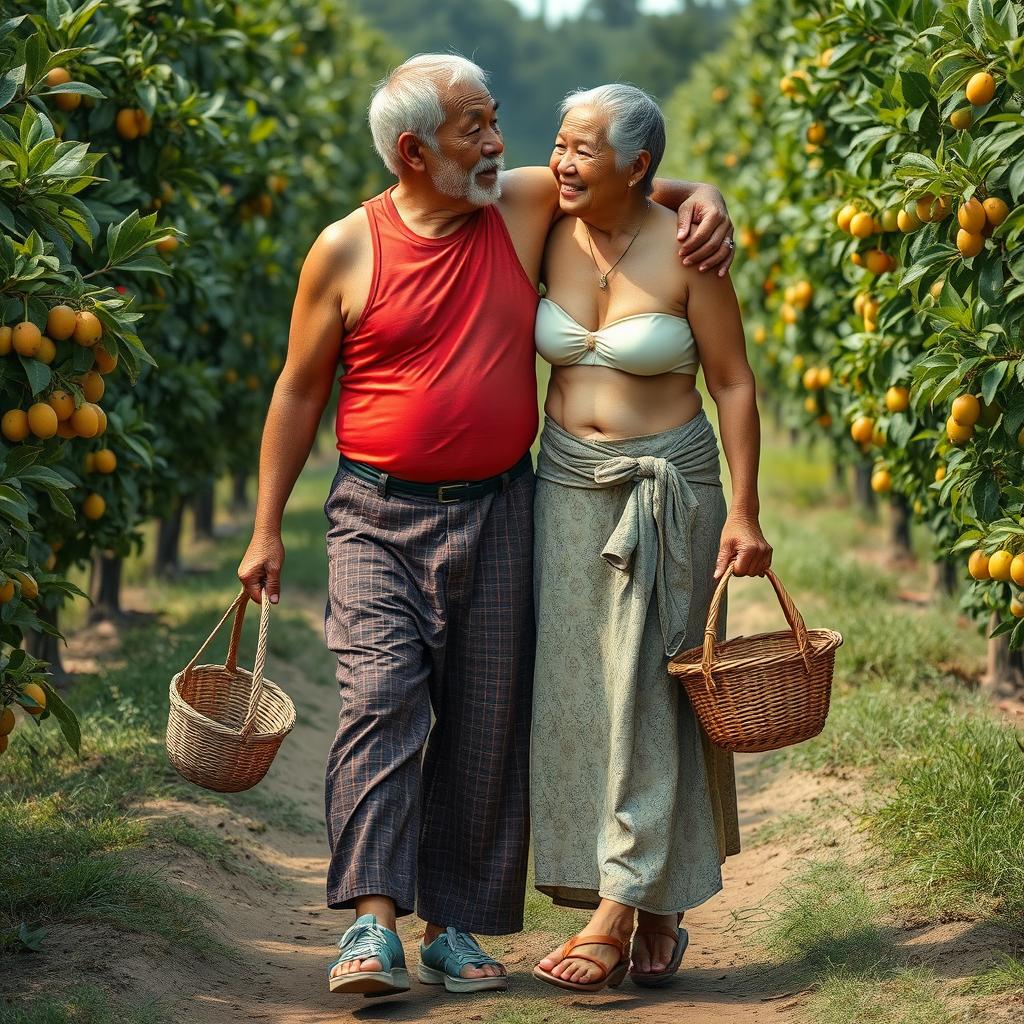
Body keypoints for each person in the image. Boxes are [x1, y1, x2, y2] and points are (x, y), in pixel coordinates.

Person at [236, 55, 737, 999]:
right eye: (477, 128)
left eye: (497, 121)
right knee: (381, 701)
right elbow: (299, 388)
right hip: (376, 513)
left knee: (483, 720)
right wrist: (267, 528)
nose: (500, 143)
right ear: (415, 151)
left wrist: (705, 193)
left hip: (504, 506)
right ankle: (372, 927)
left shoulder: (513, 206)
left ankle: (451, 925)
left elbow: (628, 179)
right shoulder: (346, 250)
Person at [530, 83, 772, 994]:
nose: (561, 162)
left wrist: (745, 511)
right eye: (559, 144)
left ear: (636, 165)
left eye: (582, 149)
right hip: (563, 486)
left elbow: (735, 385)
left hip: (670, 485)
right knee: (583, 695)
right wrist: (697, 183)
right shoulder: (542, 224)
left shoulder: (690, 253)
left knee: (649, 690)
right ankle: (655, 898)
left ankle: (617, 908)